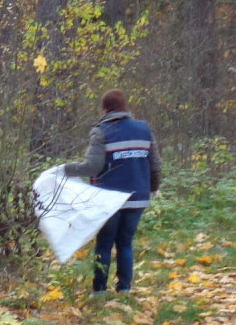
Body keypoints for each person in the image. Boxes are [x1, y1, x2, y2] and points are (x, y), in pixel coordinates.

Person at [63, 89, 163, 294]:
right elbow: (155, 165)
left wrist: (65, 169)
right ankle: (124, 289)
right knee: (125, 243)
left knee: (104, 244)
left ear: (105, 108)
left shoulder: (101, 131)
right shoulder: (144, 129)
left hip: (108, 200)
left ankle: (99, 291)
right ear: (125, 106)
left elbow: (92, 167)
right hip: (138, 198)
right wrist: (152, 189)